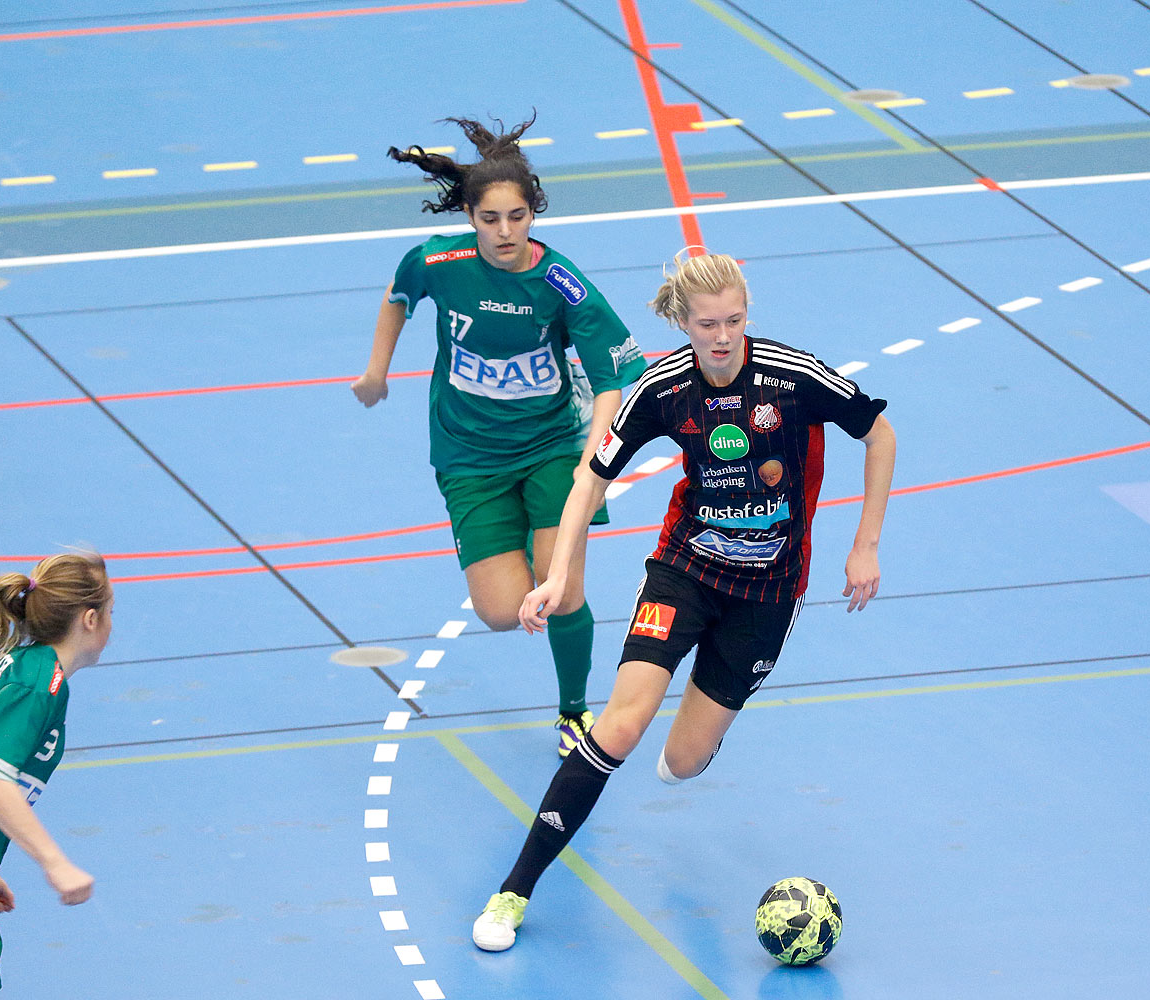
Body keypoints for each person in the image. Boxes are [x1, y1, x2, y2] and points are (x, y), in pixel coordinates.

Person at [470, 250, 896, 951]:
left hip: (769, 592)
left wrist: (866, 543)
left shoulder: (792, 378)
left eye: (733, 320)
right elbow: (591, 478)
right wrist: (554, 574)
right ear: (683, 322)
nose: (722, 336)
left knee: (684, 760)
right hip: (685, 572)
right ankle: (512, 891)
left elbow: (879, 433)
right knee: (620, 726)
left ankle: (701, 719)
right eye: (707, 324)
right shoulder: (663, 388)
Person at [352, 114, 647, 757]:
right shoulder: (439, 260)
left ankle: (574, 711)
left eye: (517, 216)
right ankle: (515, 532)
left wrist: (593, 465)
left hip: (552, 449)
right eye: (490, 219)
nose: (505, 231)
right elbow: (398, 295)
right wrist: (377, 370)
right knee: (500, 610)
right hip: (468, 455)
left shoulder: (560, 282)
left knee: (562, 589)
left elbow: (610, 380)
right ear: (470, 215)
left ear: (533, 212)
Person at [0, 552, 110, 997]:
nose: (111, 623)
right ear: (90, 619)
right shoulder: (36, 684)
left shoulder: (16, 666)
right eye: (111, 612)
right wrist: (56, 864)